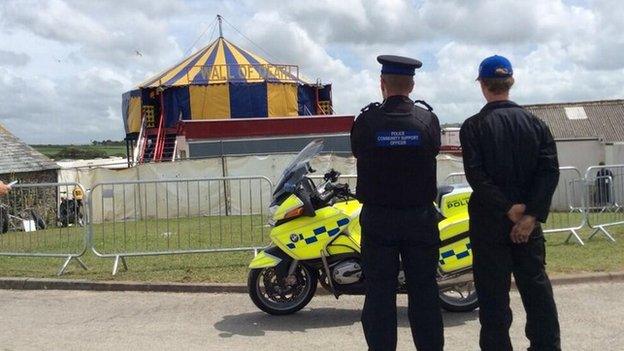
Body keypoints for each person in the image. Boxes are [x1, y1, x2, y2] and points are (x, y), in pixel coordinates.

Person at [460, 55, 561, 350]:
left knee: (493, 301)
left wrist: (507, 208)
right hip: (528, 229)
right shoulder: (536, 124)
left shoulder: (473, 127)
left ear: (482, 85)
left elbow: (476, 176)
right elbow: (549, 171)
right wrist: (530, 215)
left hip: (490, 226)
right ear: (511, 82)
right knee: (538, 293)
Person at [351, 55, 443, 351]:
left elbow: (357, 151)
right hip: (419, 219)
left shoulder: (366, 121)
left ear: (382, 84)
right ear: (412, 84)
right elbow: (434, 148)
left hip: (379, 220)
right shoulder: (427, 120)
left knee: (379, 294)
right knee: (424, 293)